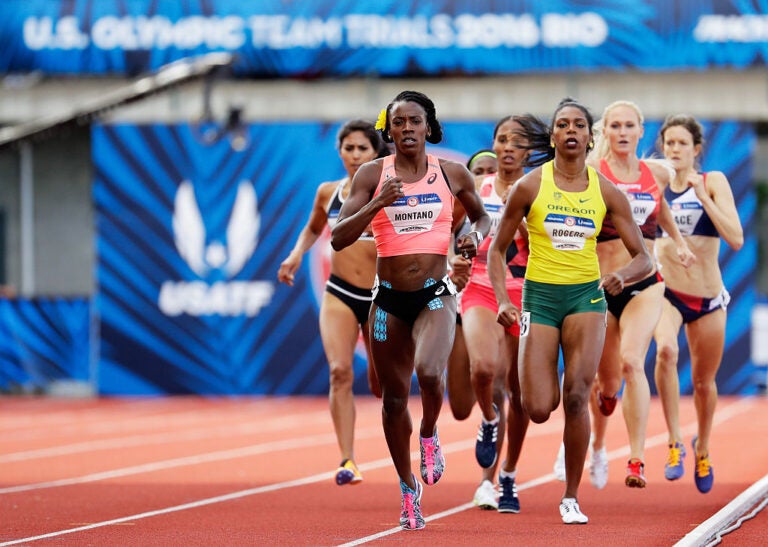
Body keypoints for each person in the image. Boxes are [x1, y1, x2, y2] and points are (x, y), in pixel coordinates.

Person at [488, 98, 653, 524]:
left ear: (589, 137)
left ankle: (571, 496)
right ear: (555, 135)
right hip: (539, 298)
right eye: (563, 124)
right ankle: (553, 376)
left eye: (579, 124)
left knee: (577, 396)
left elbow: (643, 257)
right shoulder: (530, 186)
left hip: (586, 299)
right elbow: (496, 249)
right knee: (538, 406)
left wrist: (622, 276)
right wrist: (503, 300)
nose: (571, 130)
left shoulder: (604, 190)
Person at [331, 90, 491, 531]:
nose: (406, 129)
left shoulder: (452, 173)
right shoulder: (370, 174)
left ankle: (429, 433)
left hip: (434, 294)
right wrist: (378, 202)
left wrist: (473, 237)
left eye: (414, 121)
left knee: (430, 372)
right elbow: (339, 237)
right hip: (386, 301)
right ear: (389, 129)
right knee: (393, 399)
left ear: (428, 126)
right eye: (398, 122)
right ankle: (407, 490)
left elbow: (481, 218)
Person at [585, 100, 695, 490]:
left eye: (629, 125)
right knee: (606, 384)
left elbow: (661, 209)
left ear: (640, 130)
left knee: (634, 362)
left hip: (645, 282)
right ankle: (597, 445)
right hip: (600, 286)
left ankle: (635, 459)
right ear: (606, 131)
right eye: (615, 125)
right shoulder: (592, 172)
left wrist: (678, 242)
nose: (622, 132)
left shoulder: (657, 173)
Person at [277, 119, 384, 487]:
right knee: (339, 371)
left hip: (378, 296)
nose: (355, 155)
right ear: (339, 151)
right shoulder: (328, 192)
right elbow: (312, 227)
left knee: (382, 383)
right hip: (339, 292)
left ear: (376, 152)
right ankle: (348, 459)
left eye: (363, 149)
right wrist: (294, 256)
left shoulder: (388, 192)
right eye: (349, 148)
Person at [458, 117, 547, 514]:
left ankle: (507, 475)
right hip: (480, 288)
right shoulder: (477, 190)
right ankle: (490, 422)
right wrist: (452, 261)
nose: (507, 147)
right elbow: (452, 237)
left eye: (516, 141)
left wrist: (529, 230)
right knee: (482, 371)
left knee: (521, 393)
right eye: (500, 140)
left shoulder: (542, 191)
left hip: (527, 292)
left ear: (529, 151)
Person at [652, 114, 743, 493]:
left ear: (696, 149)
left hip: (707, 297)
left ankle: (702, 446)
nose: (674, 150)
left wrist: (702, 197)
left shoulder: (712, 181)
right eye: (669, 143)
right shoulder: (654, 182)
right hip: (667, 291)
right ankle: (675, 442)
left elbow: (736, 238)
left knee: (705, 383)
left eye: (681, 144)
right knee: (666, 353)